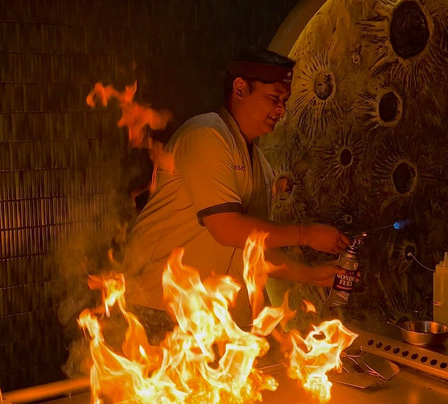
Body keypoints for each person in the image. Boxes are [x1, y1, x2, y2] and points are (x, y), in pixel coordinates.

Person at [121, 46, 350, 337]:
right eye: (274, 98)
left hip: (213, 319)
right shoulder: (206, 134)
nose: (281, 109)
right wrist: (306, 234)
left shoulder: (261, 167)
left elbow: (254, 248)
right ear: (240, 88)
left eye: (285, 101)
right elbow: (227, 229)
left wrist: (312, 275)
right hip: (159, 309)